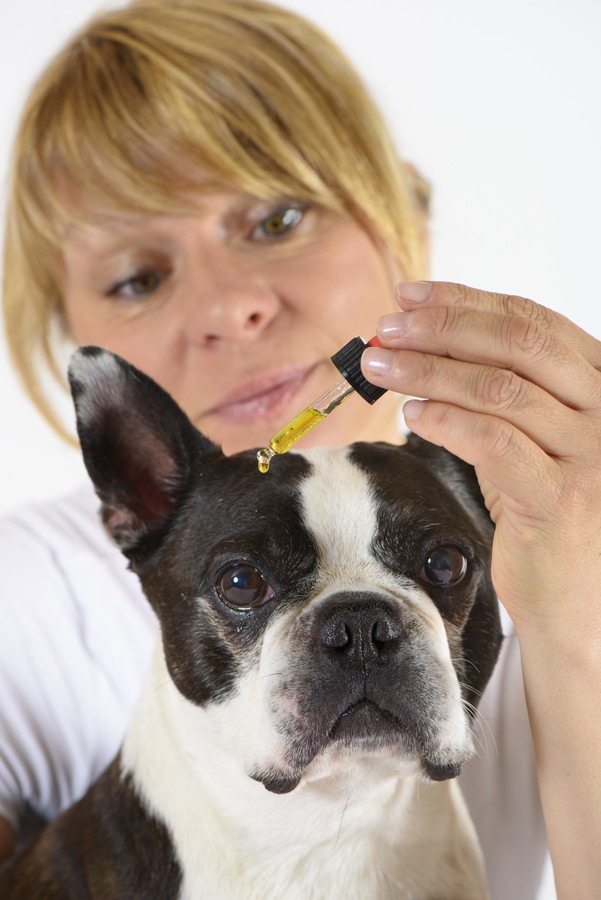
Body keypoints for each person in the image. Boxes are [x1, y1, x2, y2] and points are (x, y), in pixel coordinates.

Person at [1, 1, 600, 897]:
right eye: (139, 276)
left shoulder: (555, 516)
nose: (226, 306)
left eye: (276, 220)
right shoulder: (29, 595)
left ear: (407, 213)